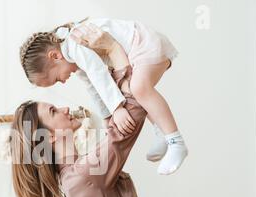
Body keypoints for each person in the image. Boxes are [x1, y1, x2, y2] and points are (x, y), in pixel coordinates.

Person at [11, 27, 151, 197]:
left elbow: (116, 124)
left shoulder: (78, 172)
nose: (64, 108)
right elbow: (130, 118)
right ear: (50, 138)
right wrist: (114, 52)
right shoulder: (84, 175)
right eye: (53, 111)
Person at [20, 17, 188, 175]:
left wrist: (117, 107)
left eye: (57, 79)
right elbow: (92, 87)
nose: (63, 82)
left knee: (138, 88)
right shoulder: (73, 58)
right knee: (139, 92)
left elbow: (99, 74)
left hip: (142, 42)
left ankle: (176, 141)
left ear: (55, 56)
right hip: (136, 50)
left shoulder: (75, 43)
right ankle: (161, 131)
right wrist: (107, 115)